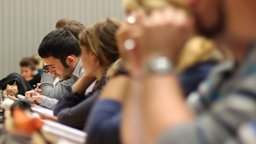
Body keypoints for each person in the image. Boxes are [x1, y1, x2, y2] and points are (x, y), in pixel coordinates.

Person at [117, 0, 256, 144]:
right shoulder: (226, 73)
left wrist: (158, 60)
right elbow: (142, 138)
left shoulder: (202, 70)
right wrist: (139, 63)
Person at [53, 18, 120, 130]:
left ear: (93, 57)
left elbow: (64, 116)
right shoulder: (102, 80)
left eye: (82, 53)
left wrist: (87, 76)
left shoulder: (109, 85)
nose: (80, 60)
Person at [25, 29, 86, 109]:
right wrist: (41, 99)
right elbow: (69, 104)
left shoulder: (85, 72)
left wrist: (43, 99)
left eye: (52, 66)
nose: (51, 72)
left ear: (70, 60)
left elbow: (76, 110)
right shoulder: (73, 72)